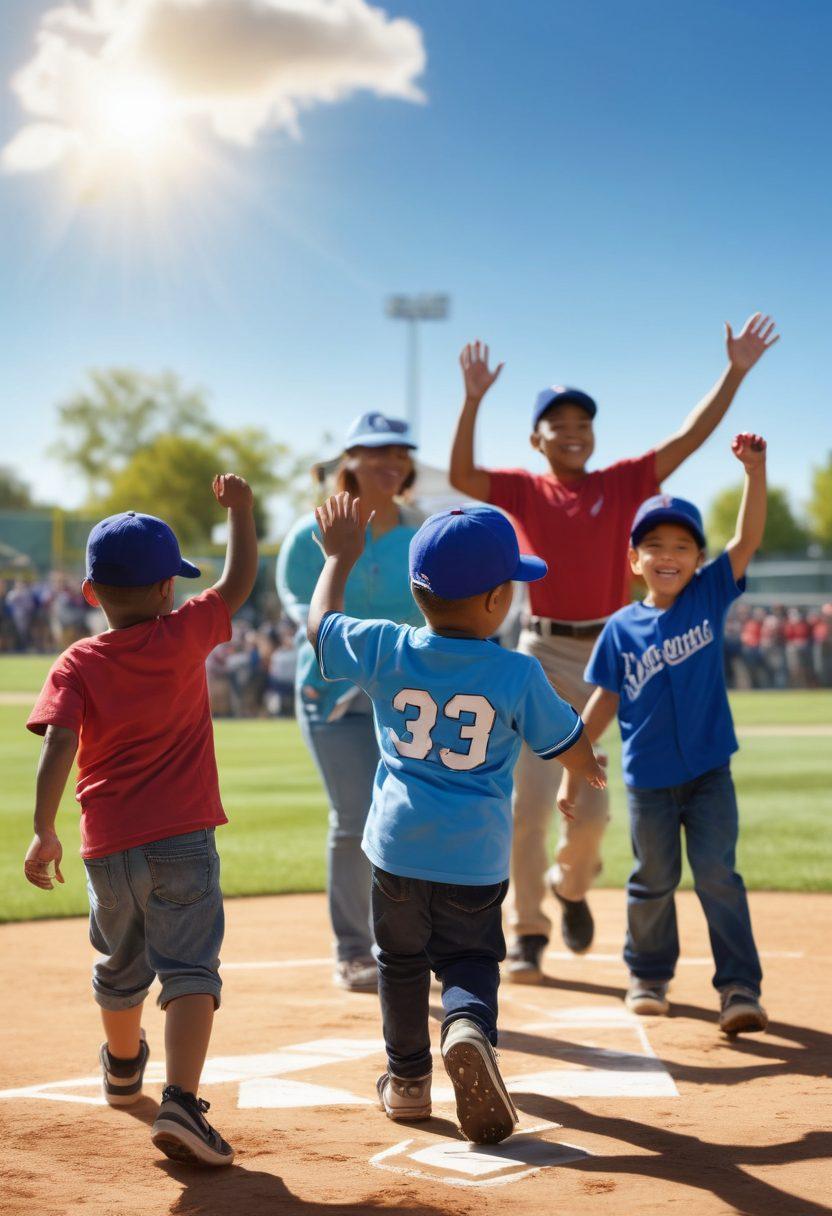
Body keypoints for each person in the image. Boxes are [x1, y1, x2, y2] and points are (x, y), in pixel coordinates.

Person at [448, 315, 779, 980]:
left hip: (618, 652)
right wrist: (474, 398)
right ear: (536, 439)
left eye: (582, 426)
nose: (573, 435)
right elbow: (461, 475)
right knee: (529, 804)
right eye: (559, 427)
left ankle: (570, 888)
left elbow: (691, 437)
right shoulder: (523, 488)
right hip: (540, 654)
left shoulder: (624, 483)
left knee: (593, 813)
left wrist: (736, 370)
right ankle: (530, 931)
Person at [307, 493, 606, 1143]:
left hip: (395, 850)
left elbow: (321, 626)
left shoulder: (386, 647)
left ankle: (409, 1082)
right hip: (473, 857)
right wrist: (588, 765)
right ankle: (468, 1029)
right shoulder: (515, 671)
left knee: (402, 964)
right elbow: (567, 739)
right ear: (499, 602)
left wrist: (340, 557)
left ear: (419, 593)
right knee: (469, 962)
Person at [23, 475, 258, 1166]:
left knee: (121, 964)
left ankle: (123, 1068)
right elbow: (238, 581)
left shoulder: (77, 660)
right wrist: (239, 513)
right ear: (166, 590)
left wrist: (43, 830)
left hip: (105, 847)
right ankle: (182, 1102)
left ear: (91, 593)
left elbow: (59, 744)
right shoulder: (184, 633)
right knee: (190, 970)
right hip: (182, 839)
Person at [560, 434, 769, 1034]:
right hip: (649, 782)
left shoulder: (707, 594)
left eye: (682, 545)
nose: (669, 554)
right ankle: (649, 976)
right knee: (652, 879)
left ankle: (738, 987)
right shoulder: (622, 628)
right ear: (634, 560)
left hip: (709, 774)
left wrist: (755, 472)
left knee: (716, 877)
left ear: (699, 559)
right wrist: (575, 765)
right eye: (654, 545)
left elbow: (747, 537)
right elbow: (603, 700)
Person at [277, 413, 423, 992]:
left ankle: (407, 939)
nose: (393, 461)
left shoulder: (419, 532)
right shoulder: (307, 532)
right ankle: (353, 948)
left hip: (402, 694)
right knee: (352, 816)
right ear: (350, 460)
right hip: (329, 693)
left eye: (401, 452)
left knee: (407, 817)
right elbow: (302, 612)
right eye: (378, 450)